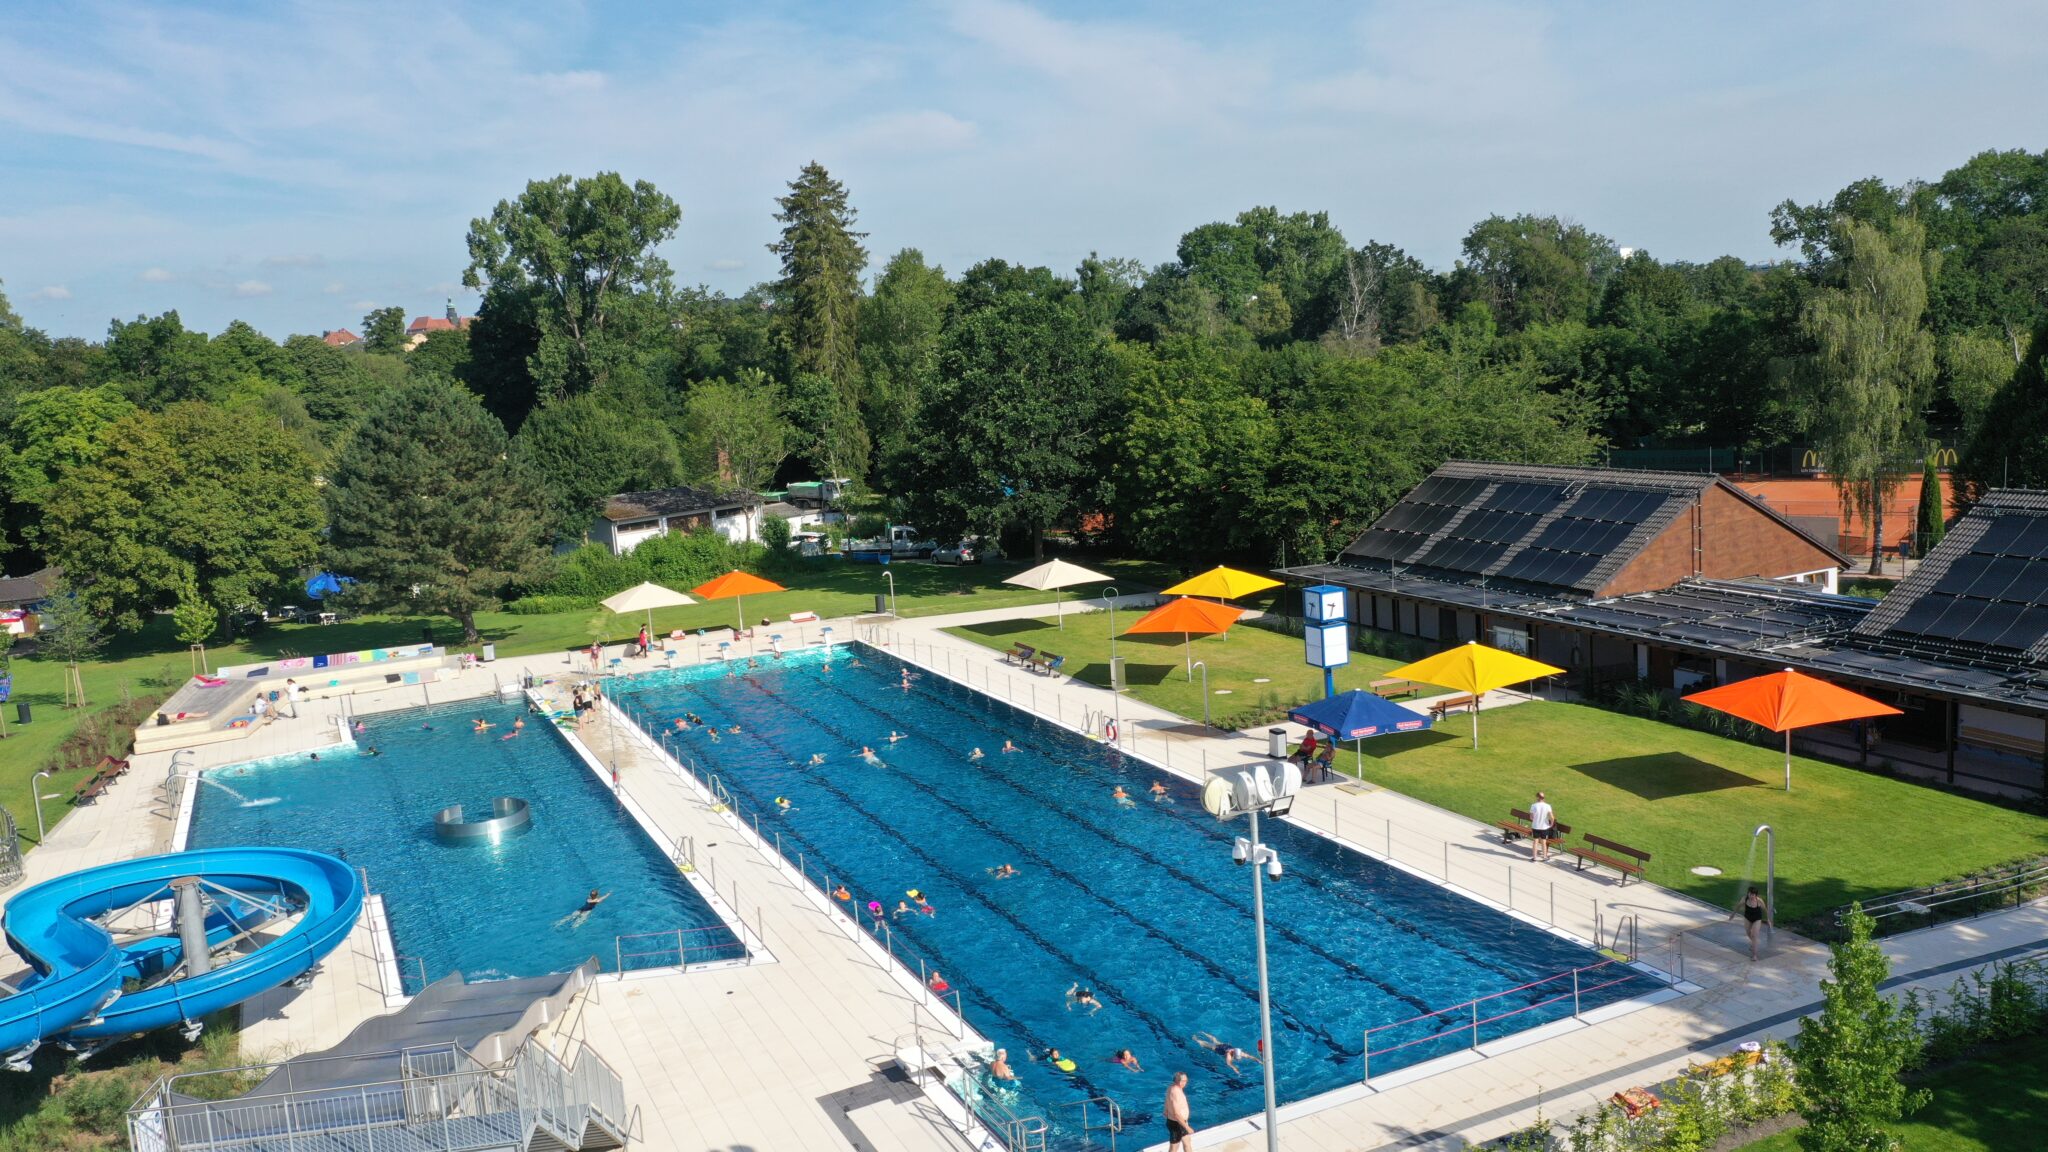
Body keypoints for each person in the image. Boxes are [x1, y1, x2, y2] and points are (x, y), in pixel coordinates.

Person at [1191, 1032, 1260, 1075]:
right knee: (1203, 1044)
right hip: (1216, 1048)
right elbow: (1228, 1063)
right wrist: (1235, 1069)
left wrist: (1258, 1060)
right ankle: (1195, 1039)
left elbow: (1251, 1057)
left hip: (1224, 1046)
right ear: (1233, 1054)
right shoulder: (1228, 1055)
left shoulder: (1240, 1052)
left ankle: (1204, 1033)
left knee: (1216, 1040)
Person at [1735, 886, 1770, 960]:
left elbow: (1765, 910)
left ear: (1756, 895)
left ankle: (1754, 955)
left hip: (1757, 919)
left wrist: (1768, 920)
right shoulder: (1745, 899)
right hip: (1747, 918)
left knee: (1754, 935)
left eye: (1753, 894)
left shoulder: (1759, 901)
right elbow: (1738, 906)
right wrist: (1732, 915)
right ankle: (1754, 942)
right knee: (1748, 933)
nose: (1751, 896)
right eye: (1750, 894)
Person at [1164, 1070, 1193, 1152]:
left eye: (1186, 1081)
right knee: (1174, 1148)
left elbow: (1167, 1100)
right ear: (1176, 1080)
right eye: (1182, 1081)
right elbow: (1176, 1114)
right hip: (1177, 1124)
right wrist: (1187, 1127)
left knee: (1187, 1143)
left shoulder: (1171, 1087)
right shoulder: (1176, 1092)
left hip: (1179, 1123)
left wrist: (1165, 1109)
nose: (1185, 1083)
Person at [1527, 791, 1556, 862]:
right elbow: (1552, 817)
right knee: (1544, 842)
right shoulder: (1548, 806)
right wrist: (1551, 824)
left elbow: (1531, 817)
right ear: (1543, 798)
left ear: (1537, 797)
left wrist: (1535, 820)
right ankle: (1545, 857)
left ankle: (1534, 857)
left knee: (1535, 842)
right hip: (1544, 827)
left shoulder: (1534, 805)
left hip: (1536, 826)